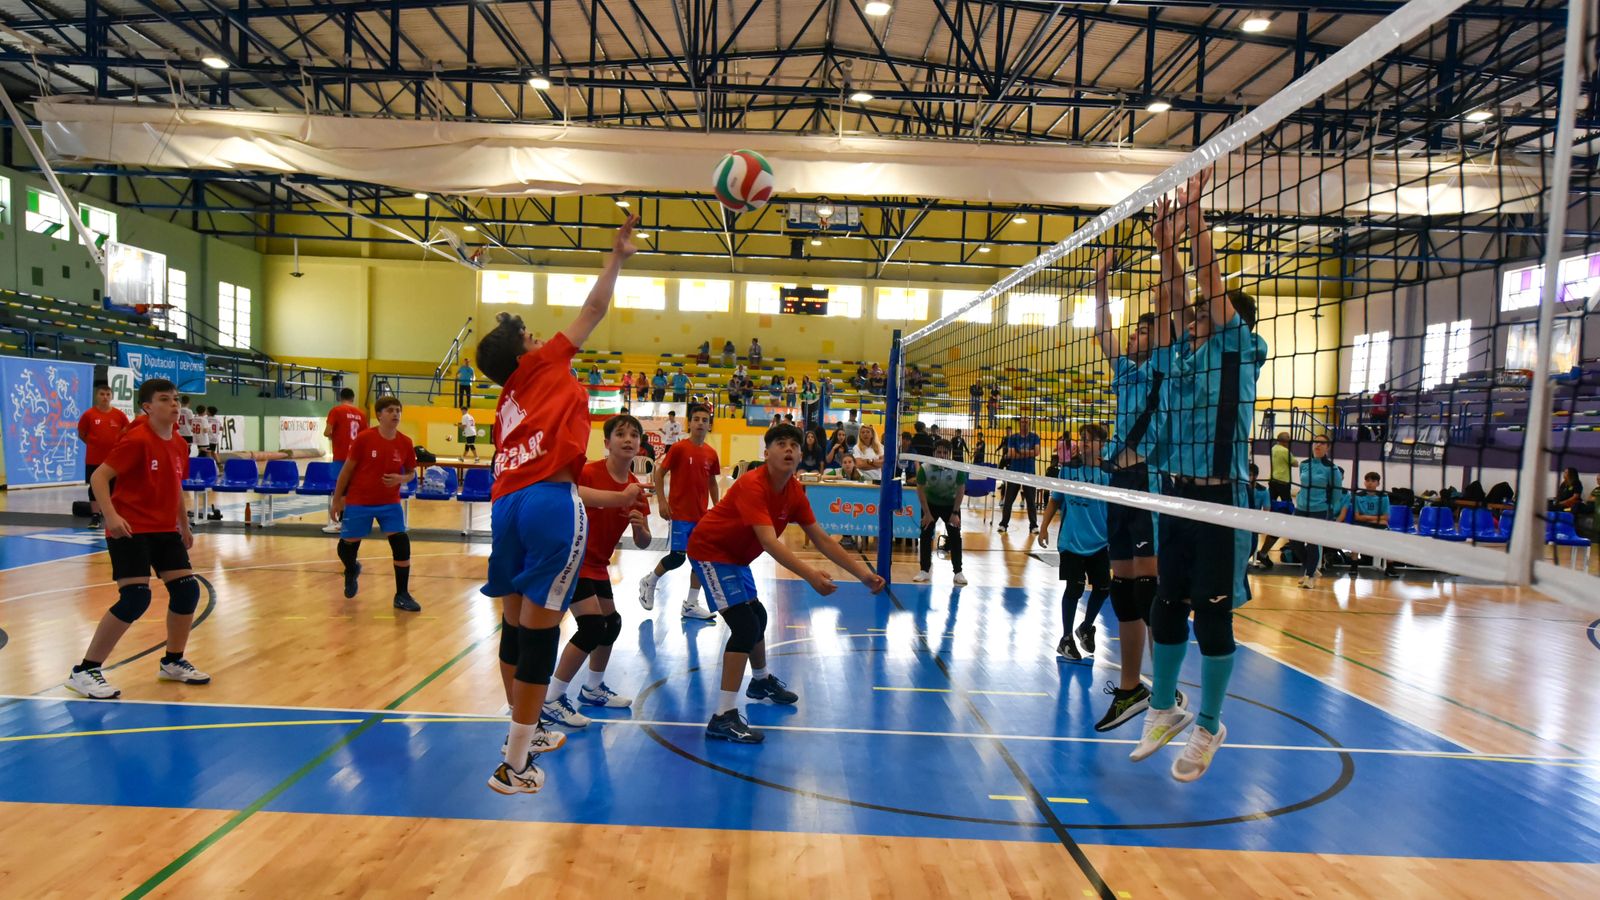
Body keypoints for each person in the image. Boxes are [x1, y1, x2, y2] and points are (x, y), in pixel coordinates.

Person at [477, 216, 641, 796]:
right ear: (524, 349)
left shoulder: (506, 398)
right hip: (549, 502)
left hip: (507, 505)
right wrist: (616, 256)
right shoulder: (544, 365)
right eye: (528, 333)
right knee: (543, 633)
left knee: (516, 625)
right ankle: (516, 761)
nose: (537, 335)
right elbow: (593, 310)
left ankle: (518, 735)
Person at [1133, 169, 1267, 783]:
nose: (1191, 318)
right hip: (1176, 498)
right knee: (1166, 606)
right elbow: (1172, 298)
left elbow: (1209, 287)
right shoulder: (1181, 356)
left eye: (1202, 314)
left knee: (1212, 617)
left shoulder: (1238, 348)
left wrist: (1195, 220)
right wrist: (1164, 244)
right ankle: (1162, 709)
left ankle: (1210, 722)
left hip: (1223, 504)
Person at [687, 423, 886, 743]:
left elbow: (821, 538)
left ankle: (761, 681)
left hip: (736, 557)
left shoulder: (793, 491)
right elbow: (769, 542)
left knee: (759, 617)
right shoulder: (753, 484)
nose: (789, 449)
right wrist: (810, 575)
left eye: (794, 444)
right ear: (767, 453)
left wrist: (863, 575)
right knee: (744, 627)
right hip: (711, 552)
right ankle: (722, 717)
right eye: (781, 443)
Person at [66, 378, 209, 700]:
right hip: (129, 528)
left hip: (164, 530)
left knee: (187, 591)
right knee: (136, 598)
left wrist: (183, 526)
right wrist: (111, 516)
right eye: (164, 399)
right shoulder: (137, 440)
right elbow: (99, 477)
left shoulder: (179, 443)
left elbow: (175, 489)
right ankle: (85, 670)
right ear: (148, 406)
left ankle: (172, 662)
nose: (174, 404)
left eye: (175, 399)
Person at [1088, 234, 1180, 733]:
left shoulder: (1162, 366)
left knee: (1146, 583)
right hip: (1117, 481)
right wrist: (1101, 279)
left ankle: (1165, 688)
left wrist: (1165, 253)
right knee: (1121, 586)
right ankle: (1131, 689)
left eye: (1142, 332)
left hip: (1145, 479)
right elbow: (1101, 325)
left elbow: (1166, 303)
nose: (1132, 337)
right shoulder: (1123, 372)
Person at [541, 414, 654, 728]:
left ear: (640, 446)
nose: (628, 439)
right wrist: (618, 498)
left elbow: (643, 542)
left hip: (597, 564)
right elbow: (570, 492)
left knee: (611, 623)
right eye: (621, 434)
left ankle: (592, 688)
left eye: (634, 435)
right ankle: (551, 698)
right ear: (607, 443)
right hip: (568, 558)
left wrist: (641, 527)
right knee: (592, 627)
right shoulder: (588, 472)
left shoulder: (635, 489)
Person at [331, 396, 423, 611]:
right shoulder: (364, 439)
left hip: (389, 503)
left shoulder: (405, 442)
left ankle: (402, 594)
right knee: (347, 548)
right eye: (390, 410)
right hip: (359, 500)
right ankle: (352, 569)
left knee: (401, 544)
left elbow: (411, 473)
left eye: (398, 410)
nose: (396, 414)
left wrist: (400, 479)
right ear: (379, 415)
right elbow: (346, 470)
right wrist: (337, 499)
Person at [1037, 424, 1114, 661]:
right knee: (1075, 588)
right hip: (1072, 540)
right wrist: (1043, 527)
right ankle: (1066, 638)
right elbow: (1055, 500)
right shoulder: (1068, 470)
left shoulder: (1109, 472)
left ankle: (1086, 627)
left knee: (1103, 589)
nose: (1083, 443)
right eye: (1082, 439)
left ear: (1103, 445)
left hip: (1101, 541)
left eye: (1089, 440)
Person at [638, 403, 721, 620]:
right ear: (689, 423)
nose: (700, 423)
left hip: (701, 516)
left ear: (709, 424)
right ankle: (650, 580)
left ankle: (691, 604)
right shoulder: (679, 448)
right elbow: (659, 473)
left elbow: (712, 482)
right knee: (677, 558)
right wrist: (662, 502)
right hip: (679, 515)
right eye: (696, 419)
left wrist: (717, 508)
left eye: (705, 420)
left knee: (701, 559)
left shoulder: (711, 453)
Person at [1294, 435, 1347, 590]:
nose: (1318, 445)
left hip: (1320, 510)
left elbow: (1337, 493)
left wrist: (1328, 507)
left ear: (1327, 448)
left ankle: (1309, 575)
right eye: (1316, 442)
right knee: (1294, 541)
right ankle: (1311, 568)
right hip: (1301, 508)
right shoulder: (1304, 464)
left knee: (1312, 543)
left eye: (1322, 443)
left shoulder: (1332, 469)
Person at [913, 439, 967, 586]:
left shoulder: (957, 468)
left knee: (955, 536)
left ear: (949, 454)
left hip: (951, 505)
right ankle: (924, 570)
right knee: (925, 534)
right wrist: (927, 513)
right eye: (939, 452)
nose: (941, 455)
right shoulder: (925, 468)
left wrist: (955, 513)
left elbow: (961, 490)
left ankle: (958, 572)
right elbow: (920, 490)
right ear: (934, 453)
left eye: (945, 452)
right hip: (931, 505)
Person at [77, 381, 130, 529]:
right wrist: (94, 444)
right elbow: (81, 434)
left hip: (114, 459)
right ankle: (95, 516)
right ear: (97, 396)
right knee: (94, 487)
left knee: (115, 487)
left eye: (108, 394)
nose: (105, 397)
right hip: (94, 458)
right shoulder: (89, 415)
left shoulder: (119, 415)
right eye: (102, 394)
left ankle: (114, 515)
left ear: (112, 396)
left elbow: (127, 433)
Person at [322, 389, 369, 534]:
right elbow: (366, 436)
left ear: (340, 397)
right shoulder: (361, 414)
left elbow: (327, 431)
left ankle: (342, 523)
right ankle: (354, 521)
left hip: (341, 456)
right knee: (353, 490)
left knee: (342, 490)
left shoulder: (336, 411)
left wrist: (333, 436)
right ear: (353, 399)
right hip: (357, 458)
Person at [997, 417, 1041, 534]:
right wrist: (1028, 453)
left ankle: (1033, 526)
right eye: (1022, 422)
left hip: (1029, 473)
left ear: (1029, 423)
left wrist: (1020, 453)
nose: (1024, 424)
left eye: (1026, 422)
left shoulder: (1035, 437)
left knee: (1031, 501)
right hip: (1014, 473)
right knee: (1008, 501)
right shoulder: (1013, 437)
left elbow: (1036, 452)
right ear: (1019, 423)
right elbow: (1011, 454)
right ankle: (1003, 524)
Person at [1352, 471, 1398, 577]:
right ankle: (1354, 566)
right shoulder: (1358, 496)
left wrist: (1366, 518)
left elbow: (1386, 518)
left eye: (1373, 481)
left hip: (1376, 525)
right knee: (1354, 538)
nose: (1370, 483)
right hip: (1362, 525)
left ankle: (1390, 568)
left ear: (1378, 483)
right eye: (1367, 481)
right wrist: (1376, 519)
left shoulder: (1383, 496)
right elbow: (1357, 517)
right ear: (1364, 483)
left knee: (1389, 539)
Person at [1269, 431, 1295, 507]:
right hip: (1283, 482)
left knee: (1271, 501)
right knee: (1288, 504)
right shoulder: (1285, 451)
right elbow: (1295, 463)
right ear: (1285, 442)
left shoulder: (1273, 448)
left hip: (1272, 479)